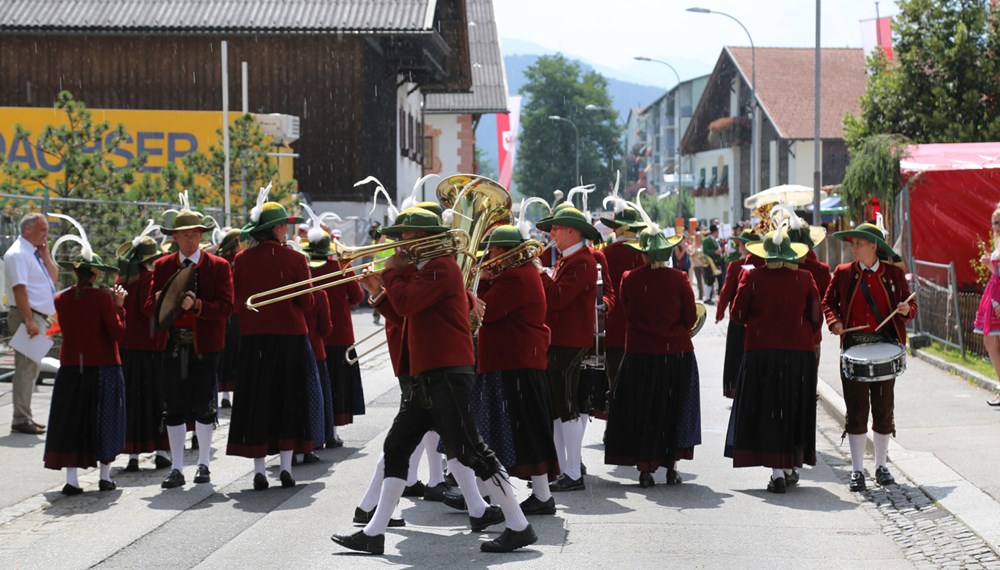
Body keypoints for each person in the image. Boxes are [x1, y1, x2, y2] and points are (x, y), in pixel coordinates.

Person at [331, 207, 536, 555]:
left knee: (473, 451)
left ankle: (519, 525)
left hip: (447, 373)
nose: (400, 244)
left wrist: (392, 276)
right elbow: (402, 315)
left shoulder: (443, 268)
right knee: (396, 448)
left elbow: (408, 302)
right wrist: (378, 292)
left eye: (407, 237)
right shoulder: (423, 270)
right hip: (426, 374)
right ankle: (374, 530)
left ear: (425, 239)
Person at [228, 196, 319, 490]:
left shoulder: (241, 259)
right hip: (290, 339)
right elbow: (307, 302)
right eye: (283, 226)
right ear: (278, 228)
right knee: (288, 401)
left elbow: (236, 302)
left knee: (258, 401)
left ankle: (258, 469)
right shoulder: (296, 259)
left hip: (254, 341)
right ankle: (286, 468)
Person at [146, 195, 234, 489]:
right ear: (175, 238)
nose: (191, 240)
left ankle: (204, 465)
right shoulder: (162, 266)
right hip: (171, 345)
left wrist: (197, 307)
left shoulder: (218, 265)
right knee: (173, 406)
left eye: (195, 234)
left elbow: (227, 307)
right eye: (185, 235)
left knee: (204, 404)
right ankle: (177, 468)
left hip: (204, 345)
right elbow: (147, 308)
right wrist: (160, 302)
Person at [605, 219, 700, 488]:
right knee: (673, 409)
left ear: (643, 253)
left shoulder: (630, 279)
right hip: (676, 354)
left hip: (640, 355)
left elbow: (628, 309)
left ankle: (645, 469)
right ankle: (671, 467)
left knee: (644, 409)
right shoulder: (679, 278)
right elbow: (690, 316)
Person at [725, 226, 821, 493]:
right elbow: (816, 318)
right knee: (792, 407)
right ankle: (790, 466)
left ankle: (778, 472)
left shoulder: (752, 277)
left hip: (761, 353)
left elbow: (737, 313)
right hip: (799, 355)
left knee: (768, 409)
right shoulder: (805, 278)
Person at [822, 222, 916, 492]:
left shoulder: (894, 274)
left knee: (884, 409)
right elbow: (828, 303)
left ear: (874, 246)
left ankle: (881, 466)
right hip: (853, 349)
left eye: (859, 243)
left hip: (885, 349)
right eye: (852, 243)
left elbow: (911, 305)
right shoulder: (842, 273)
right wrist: (835, 321)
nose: (854, 247)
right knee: (856, 411)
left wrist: (905, 309)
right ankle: (856, 470)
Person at [474, 225, 560, 514]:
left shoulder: (515, 278)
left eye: (494, 250)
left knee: (521, 430)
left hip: (516, 362)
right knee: (517, 430)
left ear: (506, 252)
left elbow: (486, 311)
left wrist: (478, 284)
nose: (489, 256)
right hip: (515, 361)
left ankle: (493, 495)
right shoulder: (519, 274)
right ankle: (494, 493)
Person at [42, 215, 127, 494]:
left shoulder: (61, 298)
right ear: (94, 273)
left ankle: (71, 479)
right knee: (105, 419)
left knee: (72, 420)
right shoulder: (103, 298)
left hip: (71, 368)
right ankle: (105, 476)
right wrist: (119, 307)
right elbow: (116, 333)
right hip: (103, 366)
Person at [535, 207, 600, 492]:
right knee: (559, 407)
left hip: (570, 340)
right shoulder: (569, 260)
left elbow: (558, 299)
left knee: (567, 406)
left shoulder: (582, 261)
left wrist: (540, 273)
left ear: (572, 231)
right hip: (562, 338)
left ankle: (572, 472)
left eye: (556, 228)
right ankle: (563, 468)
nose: (551, 234)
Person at [116, 233, 171, 471]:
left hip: (127, 349)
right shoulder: (150, 278)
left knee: (132, 402)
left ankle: (133, 455)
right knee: (156, 400)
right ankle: (161, 451)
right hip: (151, 349)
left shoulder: (122, 279)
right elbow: (150, 311)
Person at [4, 212, 58, 435]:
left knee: (31, 368)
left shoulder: (32, 253)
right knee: (26, 369)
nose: (46, 234)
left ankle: (24, 415)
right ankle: (21, 417)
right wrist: (28, 320)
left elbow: (52, 278)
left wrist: (46, 255)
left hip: (36, 316)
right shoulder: (18, 253)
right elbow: (19, 289)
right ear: (27, 230)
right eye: (42, 229)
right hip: (28, 315)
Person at [597, 206, 647, 404]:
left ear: (615, 229)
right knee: (639, 387)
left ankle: (616, 428)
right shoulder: (646, 254)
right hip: (641, 330)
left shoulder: (604, 254)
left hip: (613, 331)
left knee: (615, 385)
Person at [715, 229, 763, 398]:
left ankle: (737, 387)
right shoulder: (765, 264)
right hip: (759, 320)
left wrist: (720, 312)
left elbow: (726, 292)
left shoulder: (735, 266)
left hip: (739, 317)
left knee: (737, 355)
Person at [213, 228, 244, 408]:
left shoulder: (223, 261)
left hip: (227, 313)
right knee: (236, 354)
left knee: (226, 355)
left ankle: (225, 394)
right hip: (236, 311)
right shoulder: (237, 261)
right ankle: (232, 392)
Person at [975, 204, 1000, 406]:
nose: (996, 226)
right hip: (994, 292)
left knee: (992, 341)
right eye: (994, 223)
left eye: (999, 222)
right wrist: (990, 264)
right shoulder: (998, 241)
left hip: (998, 295)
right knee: (991, 342)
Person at [701, 225, 723, 304]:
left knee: (714, 281)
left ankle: (710, 297)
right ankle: (707, 298)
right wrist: (715, 252)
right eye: (717, 232)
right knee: (709, 281)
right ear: (714, 232)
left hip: (715, 263)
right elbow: (705, 251)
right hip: (710, 263)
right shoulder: (707, 240)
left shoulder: (715, 240)